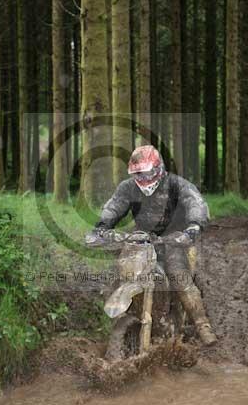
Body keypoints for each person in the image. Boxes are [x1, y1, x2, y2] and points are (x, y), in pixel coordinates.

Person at [93, 145, 217, 346]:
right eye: (138, 174)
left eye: (147, 172)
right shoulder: (128, 187)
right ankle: (114, 317)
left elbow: (195, 202)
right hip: (142, 237)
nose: (143, 178)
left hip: (174, 239)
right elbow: (114, 206)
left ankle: (202, 325)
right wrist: (102, 227)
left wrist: (194, 226)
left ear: (159, 168)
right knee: (120, 271)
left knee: (179, 276)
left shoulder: (176, 184)